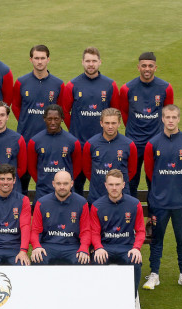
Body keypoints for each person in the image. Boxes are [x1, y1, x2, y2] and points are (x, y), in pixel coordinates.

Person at [142, 105, 182, 290]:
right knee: (157, 240)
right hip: (159, 202)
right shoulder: (153, 144)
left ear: (179, 119)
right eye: (167, 117)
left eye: (174, 117)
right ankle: (154, 275)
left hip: (181, 202)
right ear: (162, 119)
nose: (171, 120)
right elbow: (149, 172)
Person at [62, 47, 120, 195]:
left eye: (94, 61)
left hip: (103, 144)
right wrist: (74, 128)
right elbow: (64, 112)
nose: (91, 64)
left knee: (103, 183)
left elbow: (115, 112)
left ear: (100, 62)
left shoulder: (110, 85)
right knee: (76, 185)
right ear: (82, 62)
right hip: (79, 144)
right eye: (88, 61)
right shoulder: (72, 85)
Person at [90, 169, 145, 309]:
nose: (114, 188)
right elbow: (94, 232)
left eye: (117, 184)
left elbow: (140, 230)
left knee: (135, 262)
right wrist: (99, 247)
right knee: (96, 261)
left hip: (126, 249)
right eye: (111, 184)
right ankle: (98, 305)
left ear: (123, 185)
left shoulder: (134, 204)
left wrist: (136, 248)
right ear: (105, 185)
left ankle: (132, 305)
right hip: (105, 248)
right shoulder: (97, 206)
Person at [119, 52, 174, 197]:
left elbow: (168, 114)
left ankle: (153, 218)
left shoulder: (166, 88)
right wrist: (133, 129)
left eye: (150, 66)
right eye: (144, 66)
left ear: (156, 67)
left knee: (155, 181)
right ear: (138, 67)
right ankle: (130, 216)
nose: (147, 69)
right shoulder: (127, 88)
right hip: (133, 143)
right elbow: (124, 113)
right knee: (131, 181)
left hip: (156, 143)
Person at [12, 45, 64, 194]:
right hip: (26, 137)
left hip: (51, 140)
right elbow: (16, 107)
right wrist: (25, 120)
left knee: (50, 177)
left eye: (42, 58)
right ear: (31, 59)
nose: (39, 62)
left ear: (48, 59)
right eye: (36, 58)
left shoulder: (58, 84)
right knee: (23, 178)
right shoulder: (21, 82)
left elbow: (61, 110)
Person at [30, 171, 91, 265]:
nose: (62, 187)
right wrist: (36, 246)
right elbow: (35, 230)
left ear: (71, 184)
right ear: (53, 184)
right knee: (37, 259)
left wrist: (83, 248)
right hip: (48, 245)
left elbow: (85, 230)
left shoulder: (81, 202)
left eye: (65, 183)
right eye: (58, 183)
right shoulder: (42, 203)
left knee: (83, 261)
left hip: (72, 246)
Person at [28, 104, 81, 201]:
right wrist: (42, 180)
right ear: (44, 119)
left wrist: (66, 182)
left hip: (66, 192)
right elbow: (31, 167)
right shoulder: (35, 141)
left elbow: (77, 167)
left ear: (61, 119)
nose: (53, 122)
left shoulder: (73, 142)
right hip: (43, 192)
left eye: (56, 119)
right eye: (49, 119)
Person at [83, 108, 137, 204]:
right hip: (97, 197)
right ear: (101, 123)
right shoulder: (91, 144)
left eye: (113, 123)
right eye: (107, 123)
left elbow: (132, 171)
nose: (110, 126)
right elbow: (87, 170)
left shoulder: (129, 145)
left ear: (119, 123)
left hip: (121, 198)